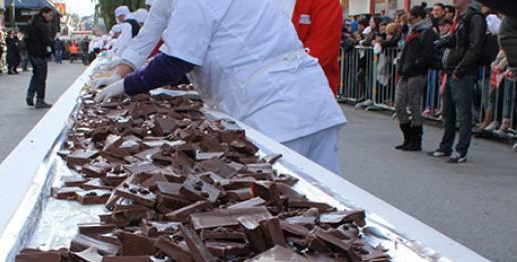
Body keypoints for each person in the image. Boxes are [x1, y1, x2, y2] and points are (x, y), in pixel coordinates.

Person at [96, 0, 346, 174]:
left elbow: (176, 62)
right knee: (330, 212)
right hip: (309, 101)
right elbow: (149, 34)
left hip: (276, 111)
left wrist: (126, 86)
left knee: (292, 212)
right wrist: (122, 70)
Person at [429, 0, 487, 164]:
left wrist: (461, 69)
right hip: (452, 68)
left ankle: (461, 150)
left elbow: (474, 47)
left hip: (462, 71)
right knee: (448, 112)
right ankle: (446, 146)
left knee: (463, 113)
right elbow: (458, 41)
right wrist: (445, 41)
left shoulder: (474, 18)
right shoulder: (460, 17)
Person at [394, 5, 437, 152]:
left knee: (414, 106)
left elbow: (428, 54)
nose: (408, 18)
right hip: (406, 72)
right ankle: (407, 137)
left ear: (418, 17)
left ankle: (416, 140)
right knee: (399, 105)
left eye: (411, 15)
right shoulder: (412, 30)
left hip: (417, 73)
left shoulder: (427, 32)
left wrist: (416, 65)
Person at [26, 7, 53, 109]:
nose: (51, 18)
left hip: (32, 54)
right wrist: (50, 50)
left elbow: (26, 39)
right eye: (50, 15)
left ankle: (30, 94)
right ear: (44, 13)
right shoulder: (43, 26)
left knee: (35, 74)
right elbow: (47, 41)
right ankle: (40, 100)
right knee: (41, 77)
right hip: (40, 54)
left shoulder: (31, 23)